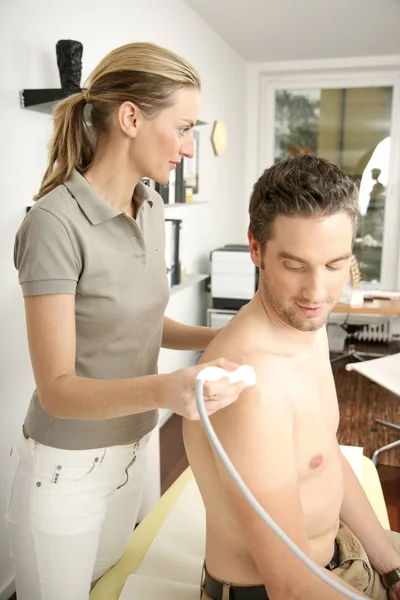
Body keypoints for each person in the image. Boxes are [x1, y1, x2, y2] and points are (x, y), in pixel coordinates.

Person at [5, 42, 246, 600]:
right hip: (68, 469)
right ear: (131, 118)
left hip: (138, 451)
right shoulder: (54, 224)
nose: (189, 147)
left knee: (114, 586)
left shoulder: (152, 206)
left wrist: (225, 337)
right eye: (183, 128)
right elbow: (57, 391)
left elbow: (141, 322)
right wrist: (169, 388)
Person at [183, 155, 400, 600]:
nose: (317, 294)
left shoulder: (307, 329)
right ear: (256, 249)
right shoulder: (251, 386)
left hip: (341, 556)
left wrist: (392, 566)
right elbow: (290, 586)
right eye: (296, 265)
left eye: (335, 264)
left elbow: (324, 456)